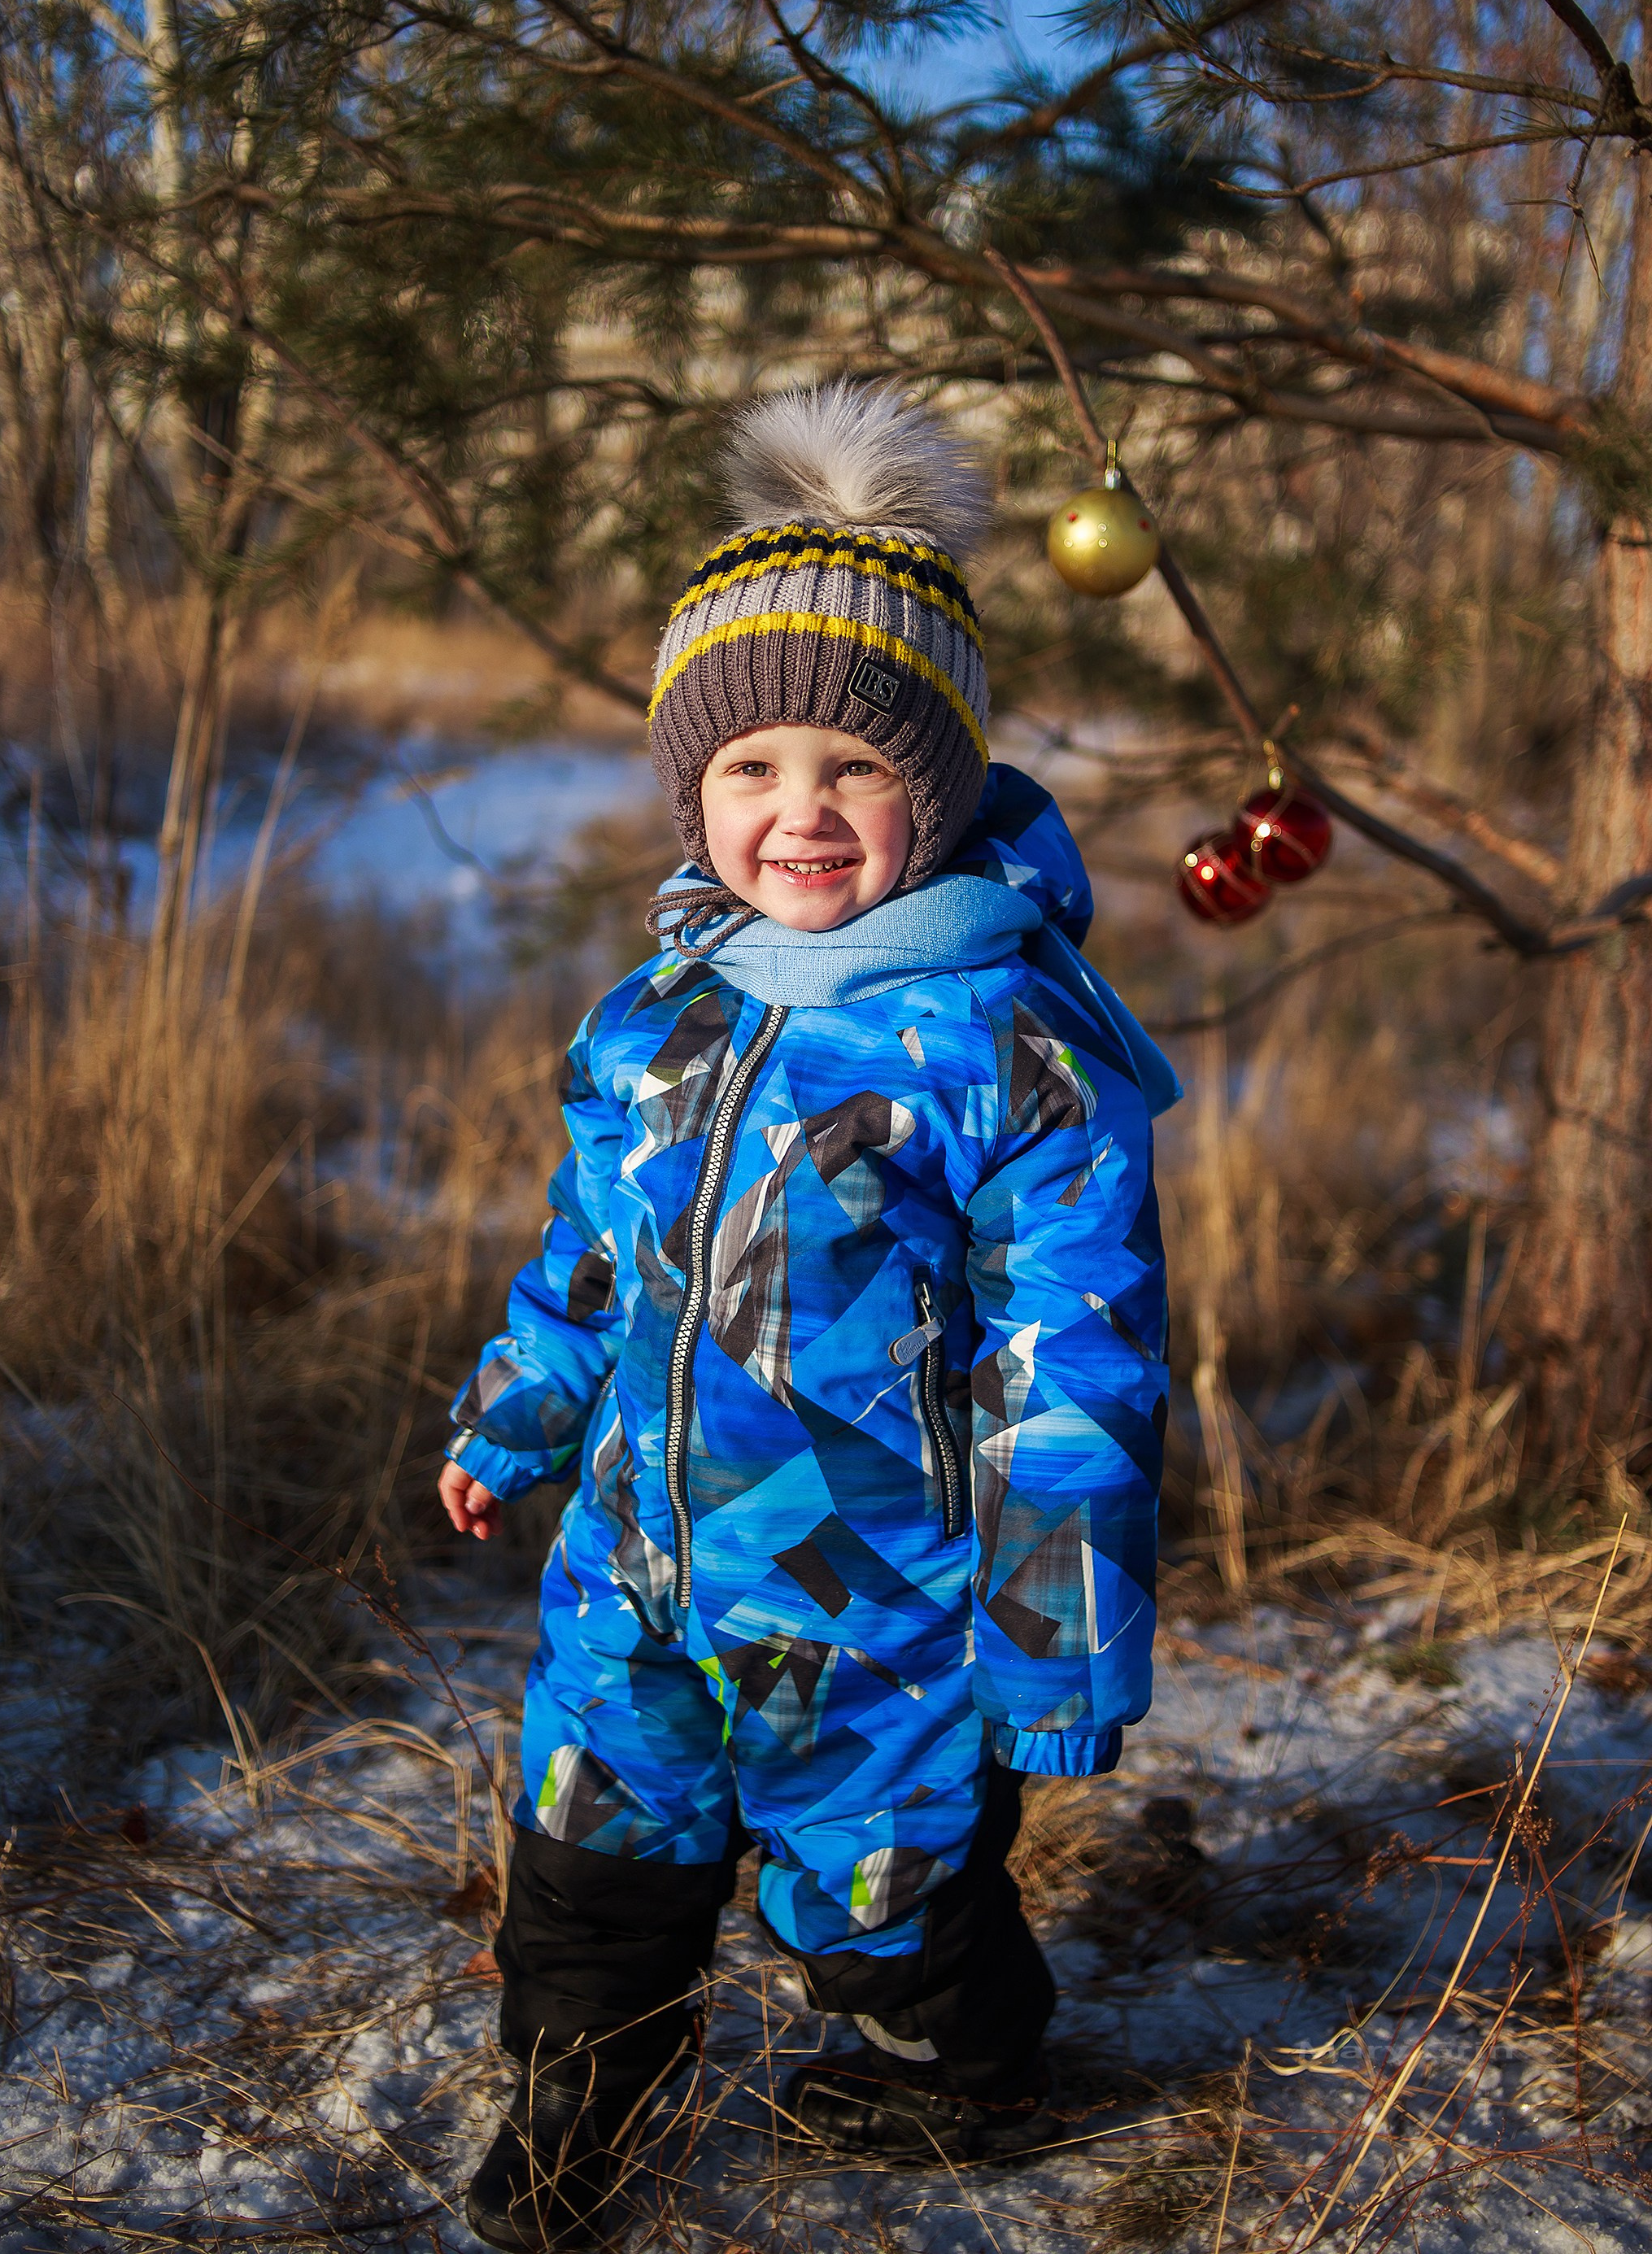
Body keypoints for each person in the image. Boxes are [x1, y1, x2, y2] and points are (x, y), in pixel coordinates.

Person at [438, 381, 1178, 2252]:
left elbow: (1064, 1366)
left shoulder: (1014, 1052)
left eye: (854, 769)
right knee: (593, 1863)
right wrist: (518, 1408)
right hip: (632, 1565)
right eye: (751, 771)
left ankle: (966, 2071)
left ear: (931, 784)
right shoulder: (662, 1011)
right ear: (695, 789)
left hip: (874, 1612)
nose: (802, 815)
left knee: (886, 1900)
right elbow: (594, 1251)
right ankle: (576, 2104)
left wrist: (1058, 1637)